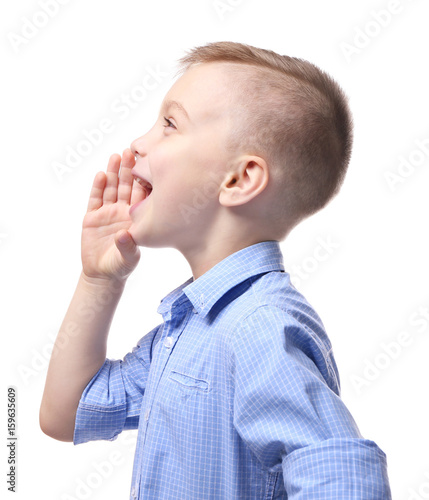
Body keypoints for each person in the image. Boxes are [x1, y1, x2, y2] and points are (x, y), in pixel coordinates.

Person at [40, 41, 392, 498]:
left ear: (239, 180)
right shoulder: (189, 328)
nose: (139, 143)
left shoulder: (260, 326)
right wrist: (99, 280)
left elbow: (344, 482)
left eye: (169, 124)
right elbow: (66, 414)